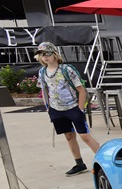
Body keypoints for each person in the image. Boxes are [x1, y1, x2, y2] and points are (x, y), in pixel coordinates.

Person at [35, 42, 101, 177]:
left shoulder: (66, 70)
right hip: (56, 109)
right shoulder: (42, 72)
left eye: (47, 54)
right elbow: (44, 90)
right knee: (69, 136)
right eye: (41, 55)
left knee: (85, 136)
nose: (45, 57)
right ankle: (79, 164)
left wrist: (80, 108)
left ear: (55, 55)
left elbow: (81, 90)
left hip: (73, 107)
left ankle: (104, 161)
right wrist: (48, 107)